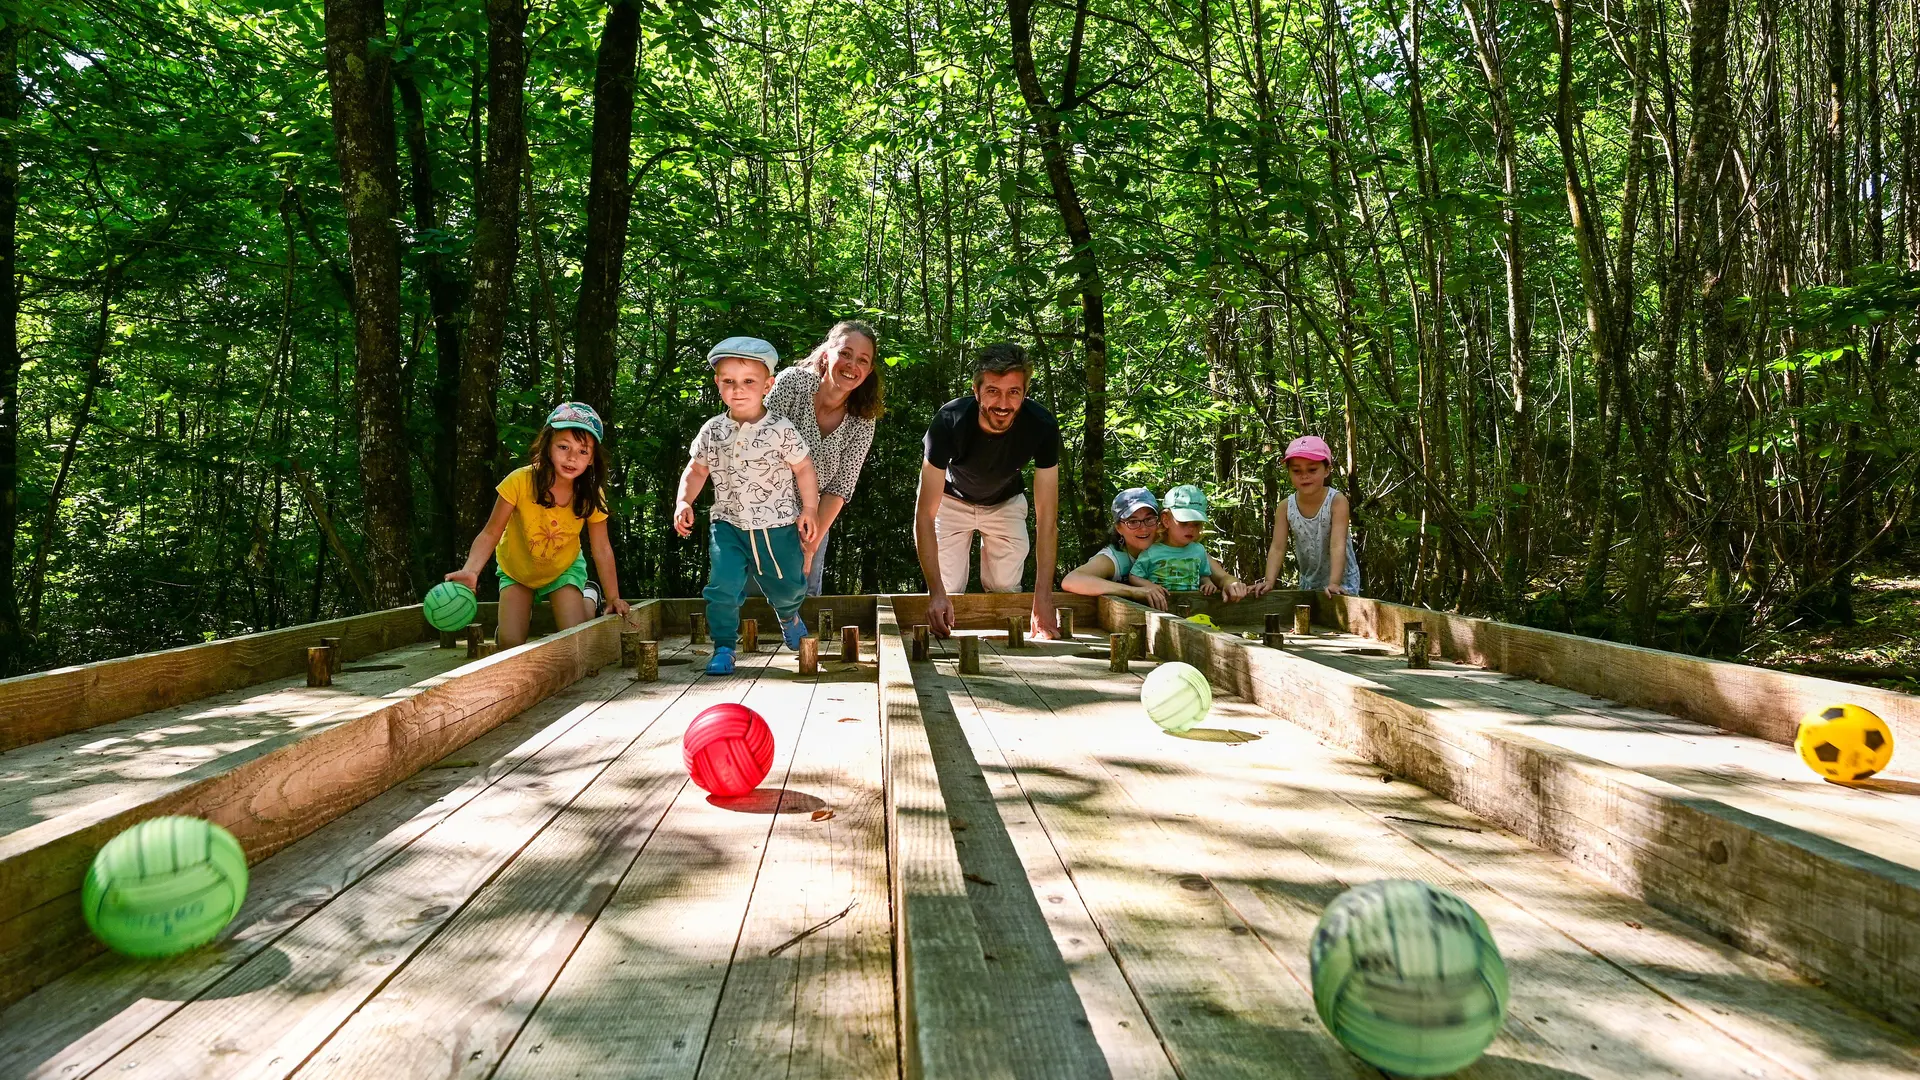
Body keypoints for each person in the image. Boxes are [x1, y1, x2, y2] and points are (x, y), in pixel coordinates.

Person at [674, 336, 821, 675]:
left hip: (778, 526)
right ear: (718, 383)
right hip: (728, 526)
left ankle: (788, 614)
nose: (738, 390)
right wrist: (684, 501)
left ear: (768, 385)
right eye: (729, 382)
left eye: (748, 382)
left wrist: (810, 509)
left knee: (788, 587)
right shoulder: (713, 430)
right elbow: (697, 469)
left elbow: (803, 468)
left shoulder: (781, 430)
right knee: (721, 588)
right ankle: (724, 645)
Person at [445, 402, 631, 648]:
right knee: (510, 644)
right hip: (518, 570)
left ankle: (589, 596)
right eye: (563, 447)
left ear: (592, 459)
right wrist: (471, 570)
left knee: (576, 636)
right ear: (547, 446)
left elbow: (602, 548)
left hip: (563, 569)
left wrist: (613, 597)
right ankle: (513, 621)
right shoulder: (519, 481)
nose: (572, 457)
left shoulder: (590, 493)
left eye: (583, 451)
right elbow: (491, 532)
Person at [914, 342, 1061, 639]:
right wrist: (935, 593)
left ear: (1025, 392)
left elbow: (1047, 521)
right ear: (977, 390)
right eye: (993, 391)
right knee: (948, 588)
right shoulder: (949, 421)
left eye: (1013, 392)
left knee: (1006, 590)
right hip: (951, 500)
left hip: (1005, 503)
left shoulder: (1042, 425)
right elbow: (924, 515)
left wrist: (1043, 599)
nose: (1003, 403)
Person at [764, 320, 881, 595]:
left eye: (862, 360)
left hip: (812, 523)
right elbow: (759, 454)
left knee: (801, 612)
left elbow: (841, 487)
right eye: (845, 353)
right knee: (748, 613)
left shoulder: (863, 418)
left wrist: (809, 545)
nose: (852, 365)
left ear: (869, 370)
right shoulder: (793, 383)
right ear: (827, 353)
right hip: (759, 514)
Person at [1253, 435, 1361, 596]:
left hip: (1342, 582)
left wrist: (1334, 583)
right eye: (1297, 470)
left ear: (1327, 470)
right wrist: (1269, 581)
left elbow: (1337, 544)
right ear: (1289, 472)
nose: (1304, 476)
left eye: (1312, 470)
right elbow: (1277, 547)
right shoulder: (1285, 507)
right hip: (1309, 582)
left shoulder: (1337, 501)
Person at [1127, 484, 1249, 600]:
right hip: (1161, 607)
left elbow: (1202, 574)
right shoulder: (1152, 551)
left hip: (1193, 606)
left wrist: (1208, 583)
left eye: (1196, 524)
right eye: (1184, 523)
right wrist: (1150, 586)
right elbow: (1134, 576)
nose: (1191, 529)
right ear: (1166, 520)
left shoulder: (1198, 550)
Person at [1061, 487, 1172, 611]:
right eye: (1133, 521)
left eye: (1149, 519)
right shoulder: (1114, 558)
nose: (1143, 528)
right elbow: (1071, 580)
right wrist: (1134, 591)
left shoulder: (1170, 545)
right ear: (1119, 528)